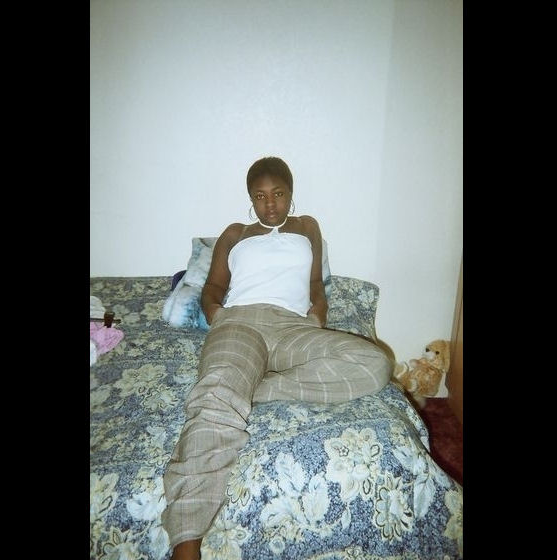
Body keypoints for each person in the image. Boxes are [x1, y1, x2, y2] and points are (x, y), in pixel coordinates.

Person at [162, 156, 393, 560]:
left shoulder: (307, 227)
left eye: (278, 194)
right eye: (260, 196)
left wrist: (318, 312)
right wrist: (217, 314)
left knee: (376, 363)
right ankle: (186, 541)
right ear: (250, 199)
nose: (270, 204)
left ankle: (256, 389)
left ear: (291, 193)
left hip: (293, 328)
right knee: (214, 398)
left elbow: (315, 282)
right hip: (241, 323)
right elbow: (213, 286)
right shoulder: (235, 233)